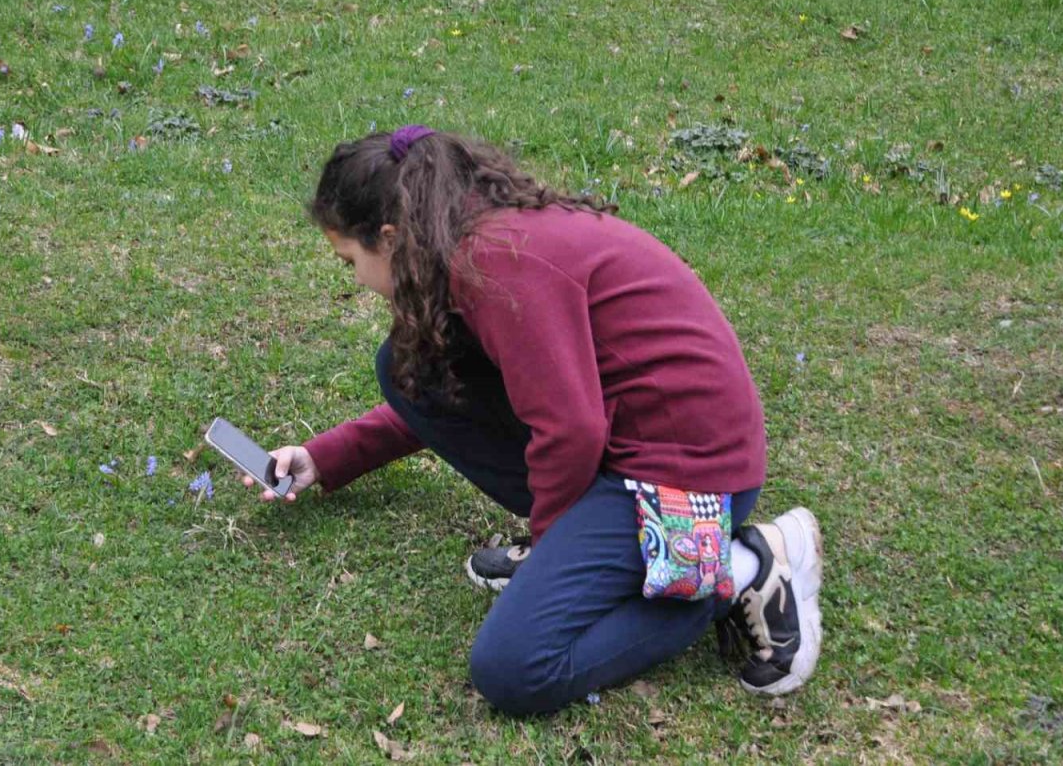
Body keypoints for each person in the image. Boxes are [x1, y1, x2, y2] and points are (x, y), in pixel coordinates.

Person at [243, 126, 823, 716]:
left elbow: (571, 430)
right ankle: (609, 553)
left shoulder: (497, 264)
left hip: (686, 473)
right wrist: (326, 456)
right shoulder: (466, 241)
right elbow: (463, 401)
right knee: (408, 367)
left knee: (514, 668)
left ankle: (740, 566)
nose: (357, 281)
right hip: (627, 438)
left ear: (389, 238)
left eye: (350, 262)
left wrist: (549, 558)